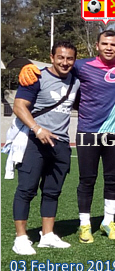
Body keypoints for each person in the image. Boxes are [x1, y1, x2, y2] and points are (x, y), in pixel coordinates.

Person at [19, 30, 115, 243]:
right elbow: (57, 66)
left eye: (113, 44)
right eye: (104, 43)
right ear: (97, 46)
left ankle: (108, 221)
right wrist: (30, 68)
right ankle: (85, 224)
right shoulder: (81, 65)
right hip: (88, 132)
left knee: (113, 180)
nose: (109, 47)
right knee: (87, 180)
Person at [11, 42, 80, 255]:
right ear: (51, 57)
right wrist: (37, 129)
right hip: (34, 141)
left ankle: (47, 235)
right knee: (26, 189)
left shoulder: (76, 79)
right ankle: (20, 238)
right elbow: (18, 106)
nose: (65, 62)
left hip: (60, 143)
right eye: (60, 57)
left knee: (52, 191)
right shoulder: (35, 76)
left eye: (69, 58)